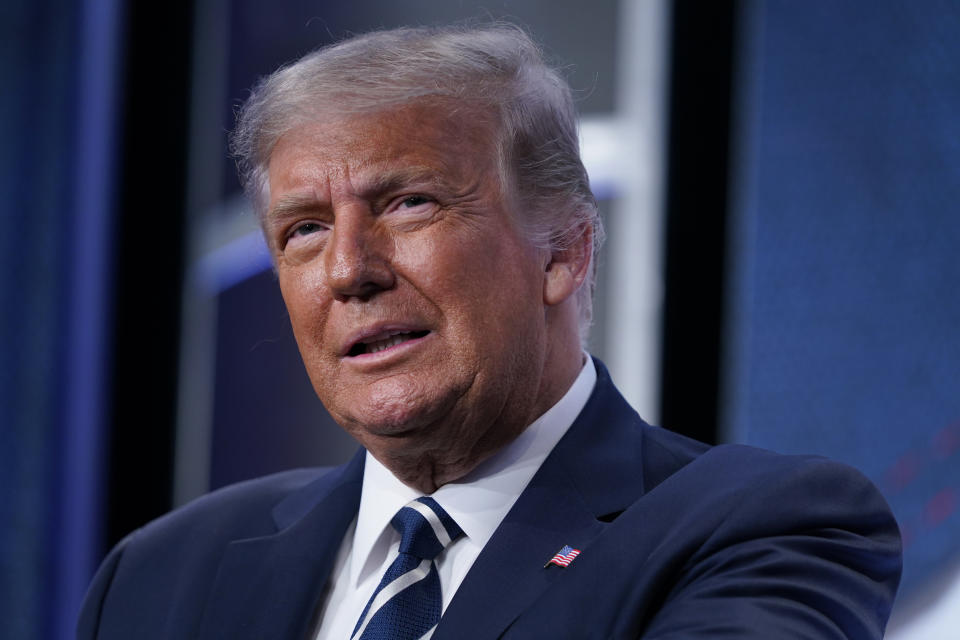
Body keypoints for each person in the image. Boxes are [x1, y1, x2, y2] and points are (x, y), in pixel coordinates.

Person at [78, 24, 901, 639]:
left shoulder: (764, 527)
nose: (347, 270)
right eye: (303, 230)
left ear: (563, 253)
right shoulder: (160, 577)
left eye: (409, 204)